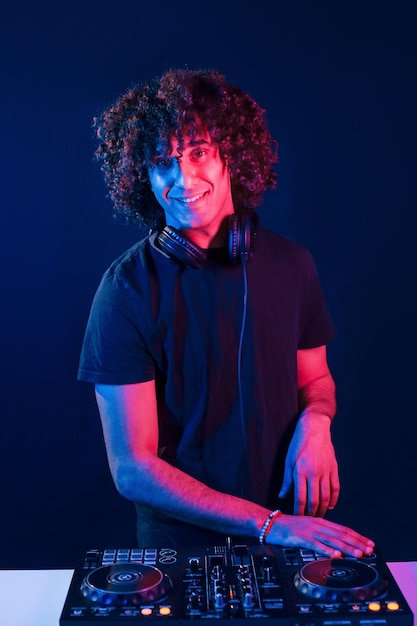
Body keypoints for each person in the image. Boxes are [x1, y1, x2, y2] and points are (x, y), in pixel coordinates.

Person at [78, 68, 374, 557]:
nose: (183, 177)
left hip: (293, 533)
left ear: (230, 157)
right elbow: (132, 467)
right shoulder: (125, 291)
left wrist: (317, 422)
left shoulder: (292, 265)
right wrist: (268, 524)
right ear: (143, 179)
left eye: (198, 152)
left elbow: (315, 380)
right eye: (162, 162)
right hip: (183, 548)